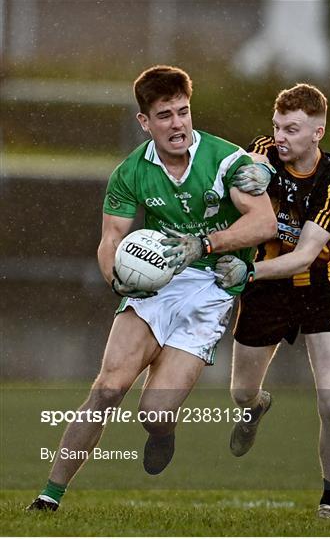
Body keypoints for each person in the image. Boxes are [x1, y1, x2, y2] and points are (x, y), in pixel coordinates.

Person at [27, 65, 277, 511]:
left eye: (183, 112)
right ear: (145, 122)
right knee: (106, 389)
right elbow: (111, 239)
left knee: (154, 414)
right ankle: (50, 496)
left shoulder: (226, 161)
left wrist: (205, 243)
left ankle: (163, 431)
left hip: (211, 290)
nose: (177, 124)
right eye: (165, 115)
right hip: (156, 281)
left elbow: (263, 221)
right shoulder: (131, 172)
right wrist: (115, 276)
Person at [215, 83, 330, 519]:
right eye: (277, 126)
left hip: (321, 289)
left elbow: (304, 257)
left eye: (292, 129)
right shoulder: (266, 150)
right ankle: (257, 408)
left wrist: (246, 270)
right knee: (240, 393)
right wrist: (245, 182)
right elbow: (243, 172)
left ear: (318, 131)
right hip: (266, 292)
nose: (281, 137)